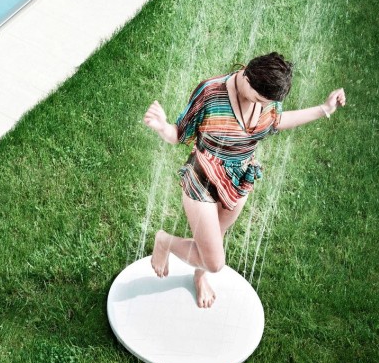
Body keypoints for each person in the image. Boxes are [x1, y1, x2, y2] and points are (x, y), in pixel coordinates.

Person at [143, 52, 346, 308]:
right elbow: (179, 134)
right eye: (259, 100)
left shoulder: (267, 99)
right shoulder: (211, 93)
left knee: (214, 241)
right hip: (203, 179)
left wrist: (324, 109)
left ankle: (199, 277)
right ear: (247, 79)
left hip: (239, 180)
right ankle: (165, 241)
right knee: (214, 262)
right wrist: (162, 127)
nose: (263, 107)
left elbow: (277, 121)